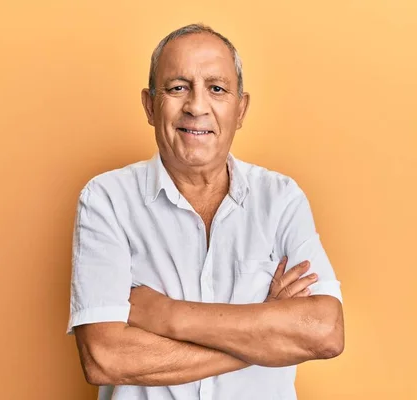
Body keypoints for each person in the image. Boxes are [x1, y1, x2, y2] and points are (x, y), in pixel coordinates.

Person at [66, 23, 344, 400]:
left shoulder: (281, 199)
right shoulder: (107, 200)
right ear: (150, 105)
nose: (197, 106)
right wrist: (266, 333)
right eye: (178, 87)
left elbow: (325, 331)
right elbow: (104, 358)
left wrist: (168, 316)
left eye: (216, 88)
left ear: (241, 108)